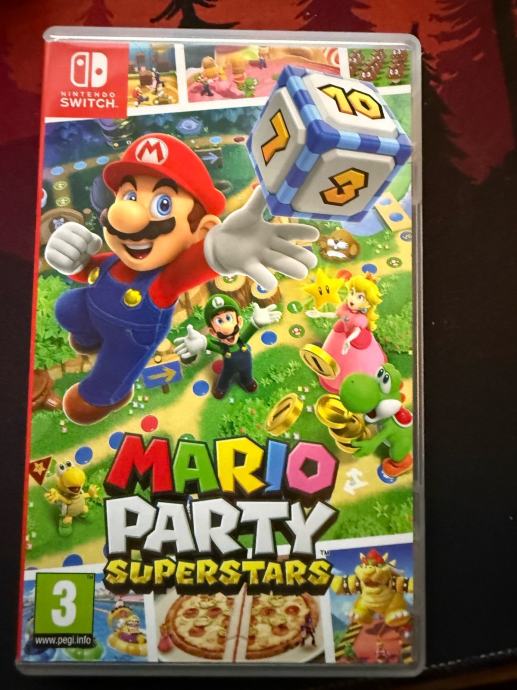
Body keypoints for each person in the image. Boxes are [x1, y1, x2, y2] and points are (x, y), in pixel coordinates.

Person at [45, 133, 318, 424]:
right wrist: (72, 256)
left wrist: (221, 250)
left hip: (129, 337)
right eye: (130, 196)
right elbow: (88, 271)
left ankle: (107, 395)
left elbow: (195, 264)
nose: (127, 215)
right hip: (94, 312)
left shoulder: (166, 281)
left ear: (201, 231)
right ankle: (89, 337)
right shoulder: (114, 260)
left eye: (162, 204)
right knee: (68, 306)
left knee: (114, 368)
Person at [174, 294, 280, 399]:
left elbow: (249, 331)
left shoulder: (241, 341)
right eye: (219, 321)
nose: (226, 328)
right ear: (213, 332)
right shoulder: (223, 347)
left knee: (247, 374)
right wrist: (201, 342)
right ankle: (221, 389)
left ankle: (248, 382)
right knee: (225, 378)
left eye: (228, 318)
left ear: (239, 322)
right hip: (229, 368)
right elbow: (209, 344)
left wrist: (255, 324)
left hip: (246, 364)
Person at [319, 274, 386, 394]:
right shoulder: (345, 309)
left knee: (355, 364)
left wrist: (348, 340)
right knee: (334, 355)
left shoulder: (360, 319)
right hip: (340, 334)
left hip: (355, 342)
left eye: (359, 297)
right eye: (352, 292)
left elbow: (357, 331)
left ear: (367, 304)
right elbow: (335, 315)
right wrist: (320, 314)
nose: (352, 298)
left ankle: (351, 384)